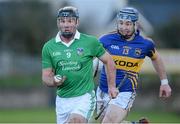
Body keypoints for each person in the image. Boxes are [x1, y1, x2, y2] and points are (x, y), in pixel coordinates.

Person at [41, 6, 118, 124]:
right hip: (62, 100)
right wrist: (54, 81)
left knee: (76, 121)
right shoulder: (49, 47)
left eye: (70, 21)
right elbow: (46, 77)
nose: (66, 25)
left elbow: (109, 61)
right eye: (62, 21)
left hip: (84, 97)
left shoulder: (90, 42)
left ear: (77, 22)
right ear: (58, 22)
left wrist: (111, 86)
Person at [95, 7, 172, 123]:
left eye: (128, 24)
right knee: (106, 121)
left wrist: (164, 82)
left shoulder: (145, 43)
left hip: (125, 91)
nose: (123, 27)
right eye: (120, 23)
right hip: (103, 90)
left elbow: (157, 58)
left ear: (135, 24)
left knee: (108, 122)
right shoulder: (105, 39)